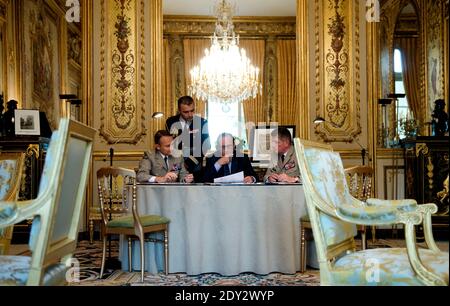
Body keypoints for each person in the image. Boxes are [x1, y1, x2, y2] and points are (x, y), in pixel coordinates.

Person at [166, 96, 210, 182]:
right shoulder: (170, 121)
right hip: (175, 162)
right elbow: (170, 144)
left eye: (192, 110)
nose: (190, 114)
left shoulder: (202, 122)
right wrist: (180, 163)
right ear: (179, 110)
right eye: (186, 112)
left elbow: (206, 146)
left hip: (195, 164)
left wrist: (189, 163)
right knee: (175, 188)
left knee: (194, 191)